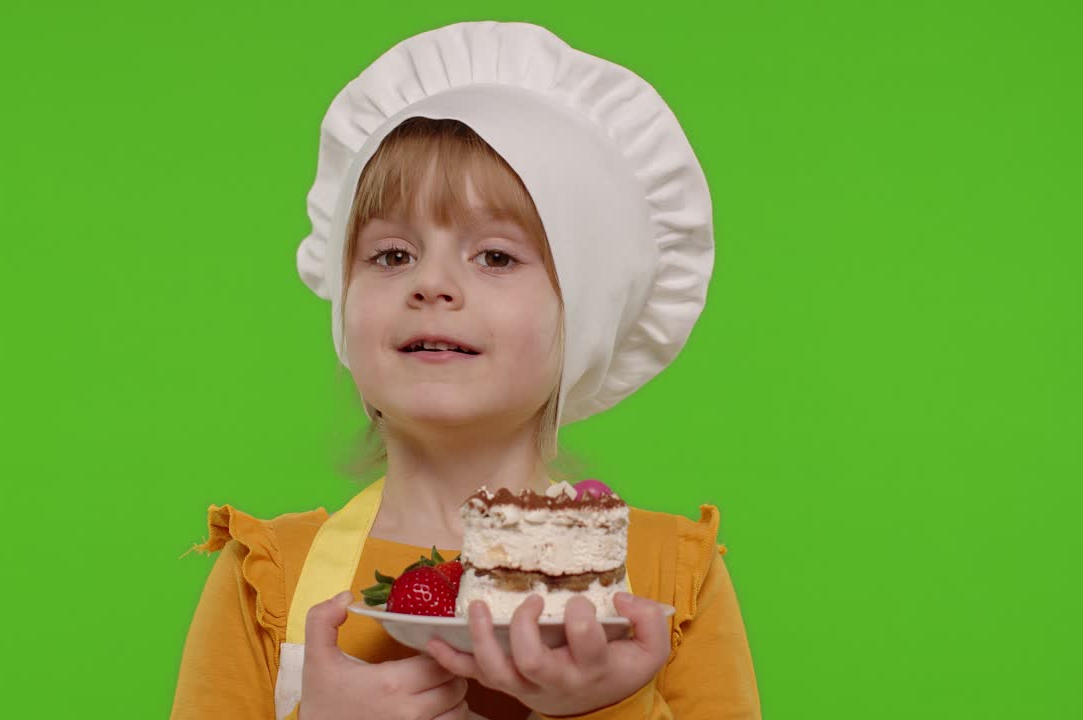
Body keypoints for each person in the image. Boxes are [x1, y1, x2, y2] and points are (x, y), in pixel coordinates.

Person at [170, 20, 761, 720]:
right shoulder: (266, 574)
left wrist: (605, 705)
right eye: (392, 255)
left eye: (496, 257)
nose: (432, 284)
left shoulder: (672, 577)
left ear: (586, 313)